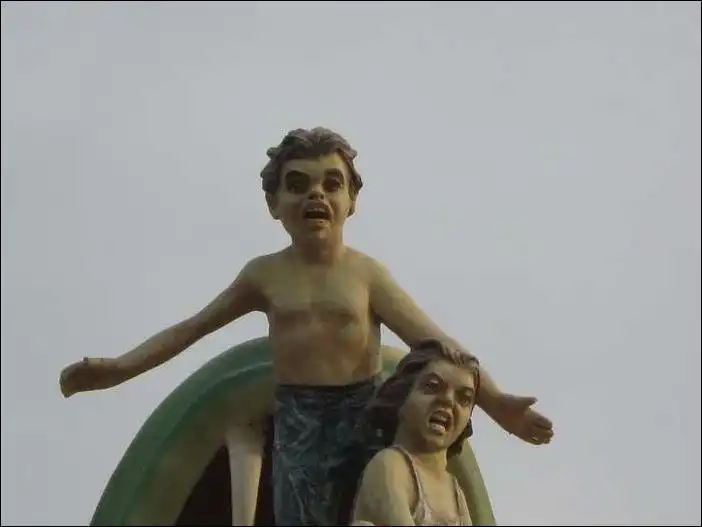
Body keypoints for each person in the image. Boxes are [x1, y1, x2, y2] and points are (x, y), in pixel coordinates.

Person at [59, 127, 553, 526]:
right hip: (299, 427)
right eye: (298, 184)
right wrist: (119, 369)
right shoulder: (264, 275)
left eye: (331, 183)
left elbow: (436, 343)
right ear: (274, 203)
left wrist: (498, 404)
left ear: (351, 199)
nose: (316, 193)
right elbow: (190, 329)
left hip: (361, 415)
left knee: (372, 507)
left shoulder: (366, 275)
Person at [350, 339, 480, 526]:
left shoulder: (455, 492)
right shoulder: (390, 465)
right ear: (401, 396)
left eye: (464, 398)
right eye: (432, 386)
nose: (448, 400)